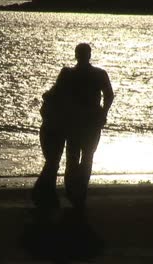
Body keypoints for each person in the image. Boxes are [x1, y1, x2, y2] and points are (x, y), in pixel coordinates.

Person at [32, 43, 114, 209]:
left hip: (78, 123)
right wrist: (102, 113)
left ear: (77, 55)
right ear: (88, 55)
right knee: (83, 157)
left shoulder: (69, 74)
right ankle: (78, 192)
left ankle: (74, 192)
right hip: (86, 123)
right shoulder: (96, 74)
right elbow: (109, 96)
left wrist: (102, 113)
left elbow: (55, 94)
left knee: (74, 157)